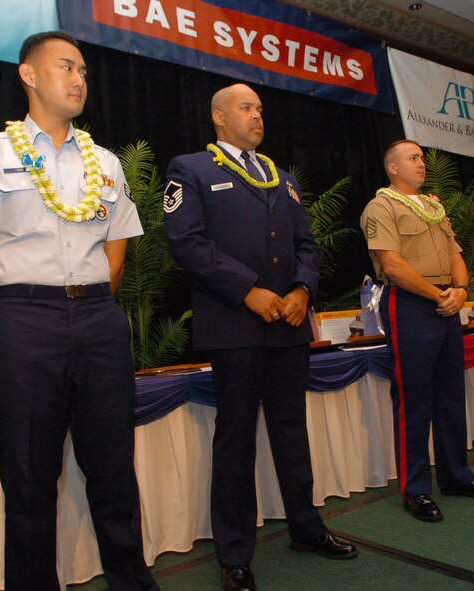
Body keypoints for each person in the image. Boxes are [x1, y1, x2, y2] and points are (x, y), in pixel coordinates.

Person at [0, 32, 157, 591]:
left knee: (112, 470)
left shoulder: (105, 162)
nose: (80, 78)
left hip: (97, 319)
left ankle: (131, 581)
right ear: (29, 75)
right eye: (66, 67)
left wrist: (83, 306)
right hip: (21, 319)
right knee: (30, 480)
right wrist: (16, 322)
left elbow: (116, 249)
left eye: (84, 69)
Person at [163, 83, 357, 591]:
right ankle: (234, 554)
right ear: (219, 117)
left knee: (292, 431)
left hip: (289, 325)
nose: (257, 116)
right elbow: (186, 241)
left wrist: (301, 290)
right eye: (246, 108)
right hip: (234, 324)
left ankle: (306, 528)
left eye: (260, 109)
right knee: (235, 439)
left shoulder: (281, 176)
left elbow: (306, 245)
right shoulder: (191, 169)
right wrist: (247, 291)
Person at [360, 140, 474, 523]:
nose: (422, 163)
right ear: (392, 167)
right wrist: (442, 295)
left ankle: (456, 476)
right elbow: (392, 265)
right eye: (413, 158)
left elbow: (456, 256)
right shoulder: (382, 206)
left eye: (422, 157)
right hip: (410, 303)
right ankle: (416, 488)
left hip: (444, 302)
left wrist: (459, 291)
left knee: (451, 394)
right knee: (414, 399)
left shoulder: (434, 208)